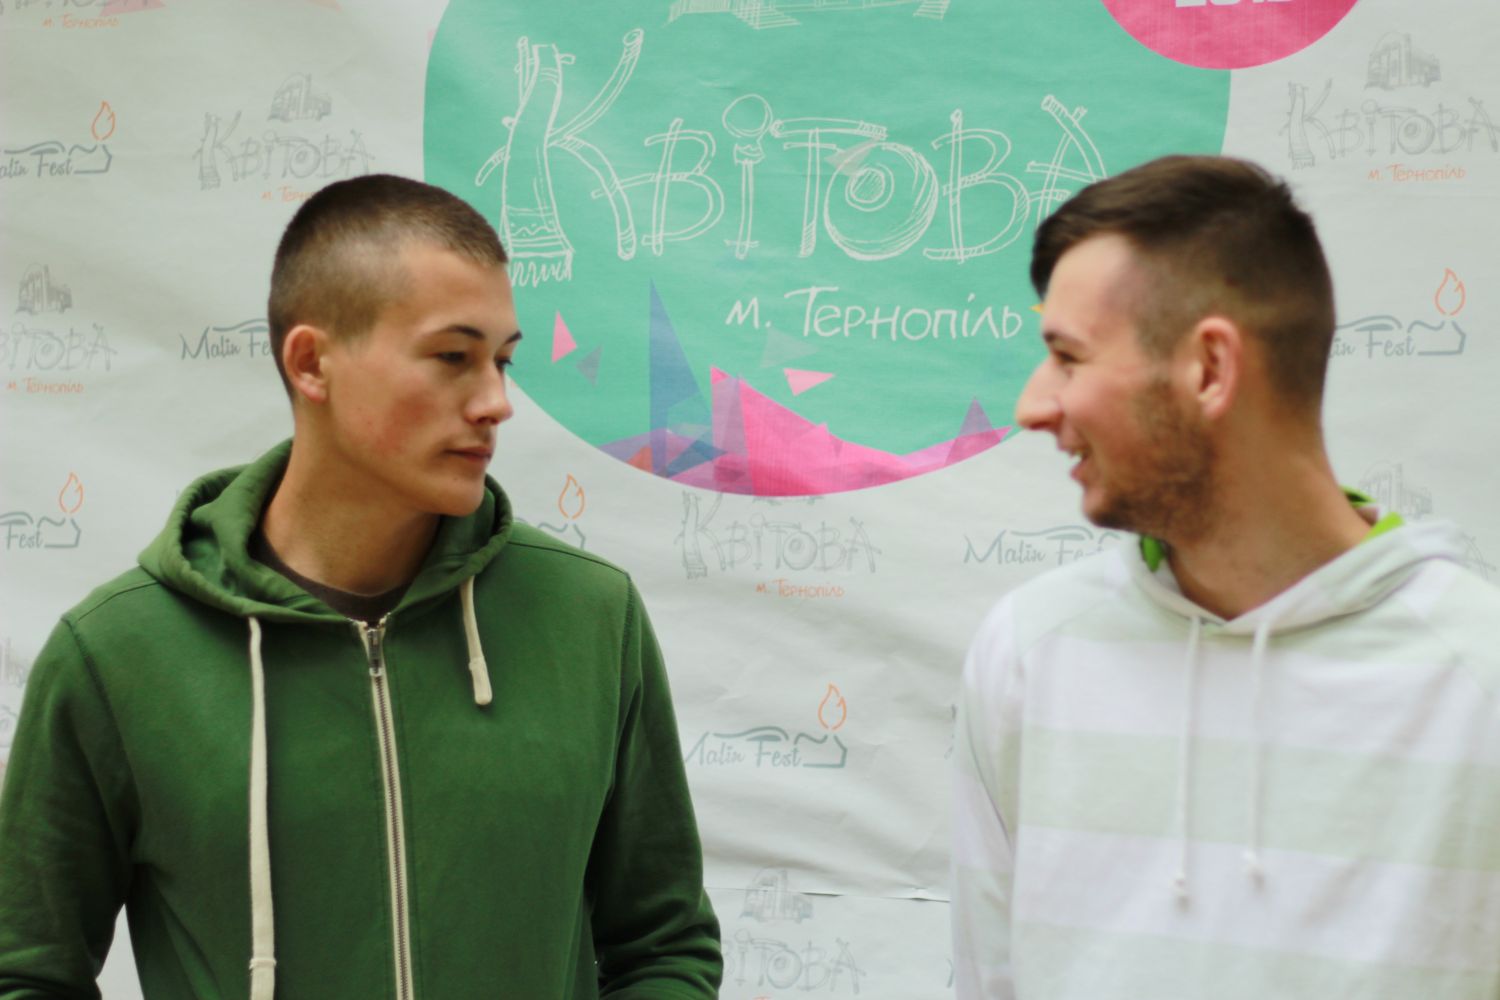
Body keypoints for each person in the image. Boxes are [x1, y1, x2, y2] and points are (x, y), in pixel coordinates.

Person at [0, 174, 722, 999]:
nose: (496, 402)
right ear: (313, 363)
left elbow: (664, 945)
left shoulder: (589, 617)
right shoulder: (118, 655)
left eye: (502, 360)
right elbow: (26, 975)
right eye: (453, 357)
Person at [950, 155, 1500, 999]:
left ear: (1209, 369)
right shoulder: (1028, 652)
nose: (1032, 406)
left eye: (1068, 357)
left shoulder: (1481, 677)